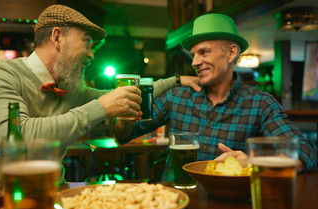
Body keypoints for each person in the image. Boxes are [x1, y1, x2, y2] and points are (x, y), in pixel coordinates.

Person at [0, 4, 200, 184]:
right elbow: (21, 140)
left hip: (52, 196)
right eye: (86, 43)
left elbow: (126, 94)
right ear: (56, 37)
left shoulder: (71, 90)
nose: (91, 55)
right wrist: (101, 108)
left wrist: (176, 80)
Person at [113, 13, 317, 180]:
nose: (194, 62)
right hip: (174, 202)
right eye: (193, 54)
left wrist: (253, 163)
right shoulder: (177, 97)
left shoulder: (260, 103)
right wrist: (124, 115)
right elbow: (124, 135)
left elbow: (305, 152)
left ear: (231, 53)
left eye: (204, 52)